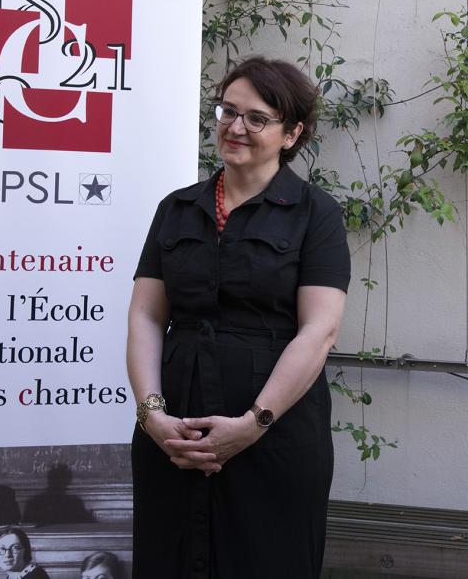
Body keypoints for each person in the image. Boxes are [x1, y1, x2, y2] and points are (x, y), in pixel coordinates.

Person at [127, 55, 350, 578]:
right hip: (173, 434)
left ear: (291, 133)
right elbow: (144, 317)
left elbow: (320, 331)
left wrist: (253, 424)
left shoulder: (316, 214)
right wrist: (152, 416)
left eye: (256, 118)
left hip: (275, 439)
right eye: (228, 110)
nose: (235, 127)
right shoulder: (176, 209)